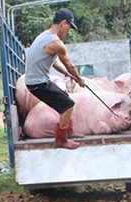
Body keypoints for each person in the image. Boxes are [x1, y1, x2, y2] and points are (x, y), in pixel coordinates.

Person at [24, 8, 85, 149]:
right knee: (67, 105)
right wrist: (79, 79)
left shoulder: (44, 36)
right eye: (69, 27)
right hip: (38, 83)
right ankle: (61, 140)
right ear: (63, 23)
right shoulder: (56, 43)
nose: (67, 31)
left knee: (64, 98)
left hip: (36, 81)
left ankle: (68, 131)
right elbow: (70, 65)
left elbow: (55, 63)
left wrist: (69, 76)